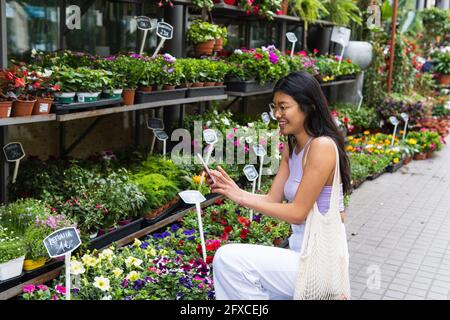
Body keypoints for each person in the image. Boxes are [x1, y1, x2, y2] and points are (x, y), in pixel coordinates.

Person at [203, 71, 352, 300]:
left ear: (308, 106)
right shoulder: (292, 148)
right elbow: (272, 200)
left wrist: (241, 197)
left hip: (320, 264)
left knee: (228, 259)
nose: (277, 114)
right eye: (275, 107)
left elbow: (297, 213)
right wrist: (232, 190)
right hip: (299, 254)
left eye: (284, 107)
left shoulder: (322, 147)